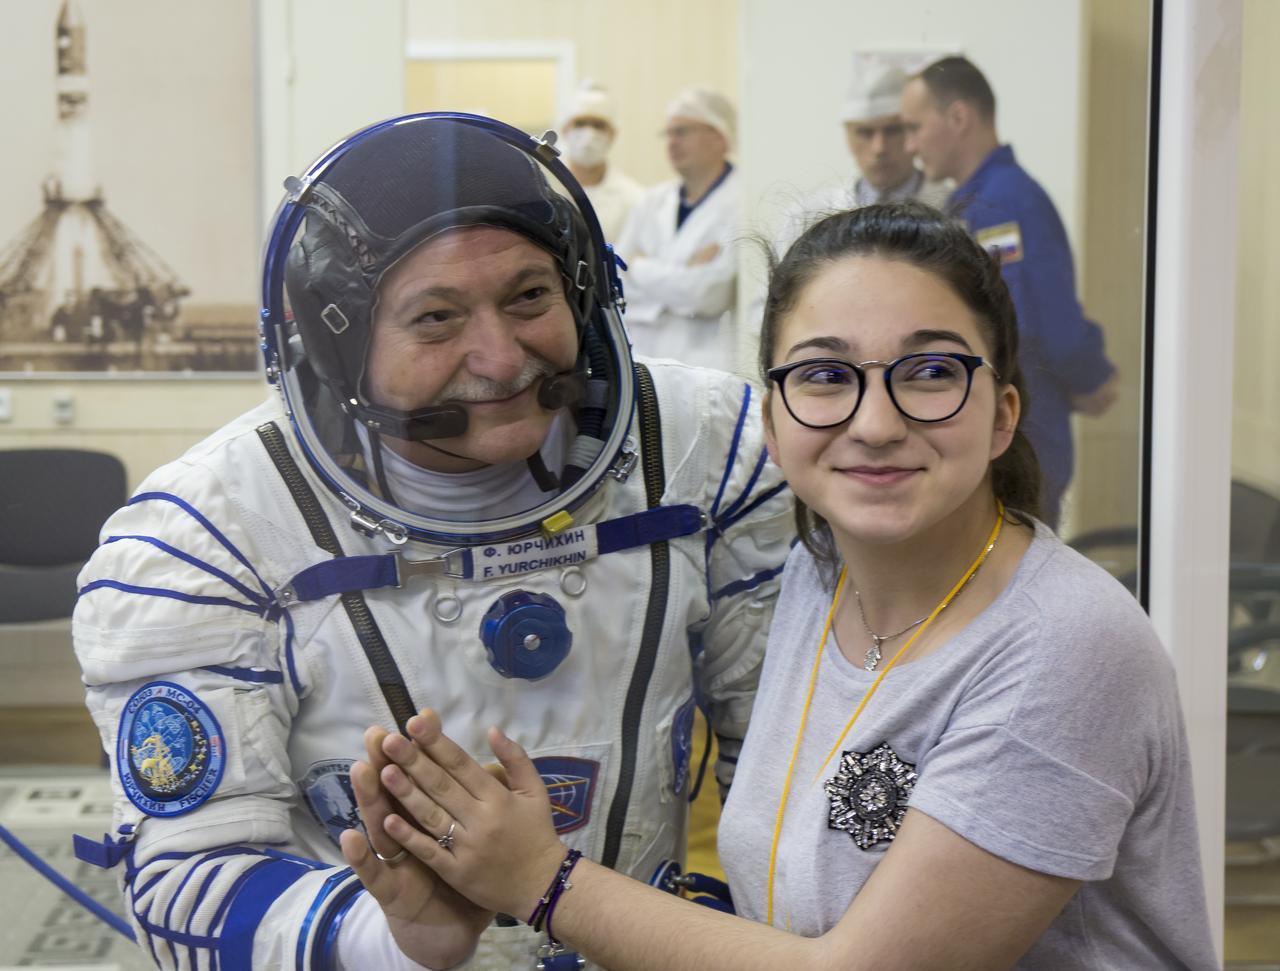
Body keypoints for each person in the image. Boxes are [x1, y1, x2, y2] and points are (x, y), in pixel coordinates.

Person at [354, 202, 1218, 970]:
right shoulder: (812, 576)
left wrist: (542, 879)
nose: (875, 424)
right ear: (769, 422)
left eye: (929, 372)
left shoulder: (1064, 650)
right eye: (825, 375)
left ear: (1002, 414)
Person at [69, 113, 793, 969]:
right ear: (339, 348)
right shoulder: (211, 532)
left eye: (530, 296)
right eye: (436, 318)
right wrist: (392, 936)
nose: (500, 355)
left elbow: (791, 768)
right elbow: (187, 884)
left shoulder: (709, 450)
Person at [900, 55, 1118, 529]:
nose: (911, 146)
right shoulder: (980, 200)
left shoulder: (1005, 201)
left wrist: (1092, 379)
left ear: (958, 117)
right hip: (1002, 435)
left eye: (915, 127)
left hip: (1024, 439)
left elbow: (1034, 325)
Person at [615, 87, 740, 370]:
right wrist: (684, 274)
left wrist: (641, 266)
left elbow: (711, 293)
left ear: (720, 136)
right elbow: (616, 278)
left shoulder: (743, 202)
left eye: (682, 132)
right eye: (668, 133)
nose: (671, 143)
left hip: (708, 361)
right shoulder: (651, 201)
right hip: (643, 356)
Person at [558, 81, 645, 243]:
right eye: (580, 123)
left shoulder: (634, 199)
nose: (589, 134)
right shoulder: (544, 186)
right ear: (565, 129)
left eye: (598, 125)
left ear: (612, 135)